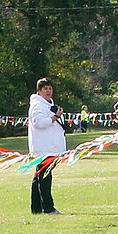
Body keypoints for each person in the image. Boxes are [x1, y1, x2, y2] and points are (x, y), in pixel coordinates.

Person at [27, 77, 66, 214]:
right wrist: (55, 117)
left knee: (40, 176)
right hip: (44, 148)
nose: (48, 91)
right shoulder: (38, 105)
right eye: (45, 89)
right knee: (44, 177)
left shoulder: (48, 104)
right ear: (39, 91)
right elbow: (38, 122)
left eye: (50, 88)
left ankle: (37, 208)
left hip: (51, 147)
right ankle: (48, 208)